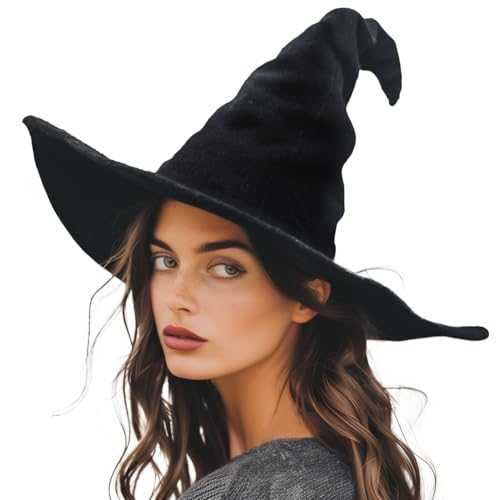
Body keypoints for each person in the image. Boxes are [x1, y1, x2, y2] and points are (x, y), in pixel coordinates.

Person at [22, 6, 489, 500]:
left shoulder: (257, 488)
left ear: (308, 297)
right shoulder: (334, 473)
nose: (177, 297)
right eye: (165, 261)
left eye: (226, 267)